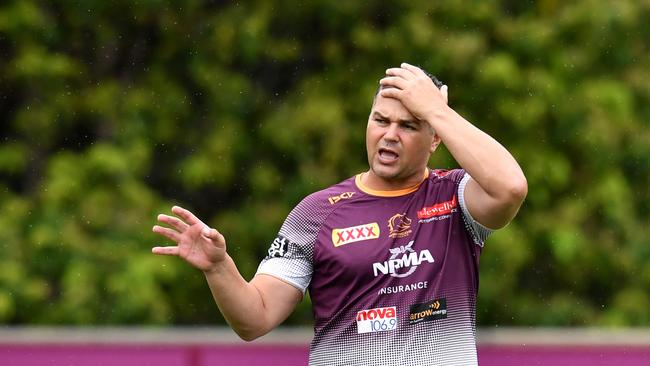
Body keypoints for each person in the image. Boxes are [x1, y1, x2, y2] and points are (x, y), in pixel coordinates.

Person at [152, 63, 527, 366]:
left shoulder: (456, 195)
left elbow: (510, 187)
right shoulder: (316, 212)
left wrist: (436, 110)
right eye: (381, 121)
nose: (390, 135)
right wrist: (219, 267)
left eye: (409, 125)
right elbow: (255, 318)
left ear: (435, 138)